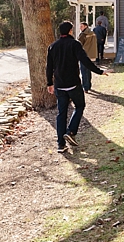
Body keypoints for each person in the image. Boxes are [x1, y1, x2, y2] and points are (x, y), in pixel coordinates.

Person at [46, 21, 108, 153]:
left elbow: (49, 67)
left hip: (59, 85)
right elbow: (85, 61)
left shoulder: (52, 46)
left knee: (61, 113)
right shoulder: (75, 44)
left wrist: (49, 83)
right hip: (73, 84)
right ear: (69, 31)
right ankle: (71, 131)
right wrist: (100, 71)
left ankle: (60, 144)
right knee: (80, 106)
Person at [77, 21, 97, 91]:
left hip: (85, 55)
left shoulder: (83, 34)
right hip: (92, 55)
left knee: (83, 71)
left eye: (81, 26)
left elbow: (78, 45)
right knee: (89, 71)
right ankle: (89, 85)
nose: (80, 28)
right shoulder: (93, 33)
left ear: (86, 26)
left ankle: (85, 86)